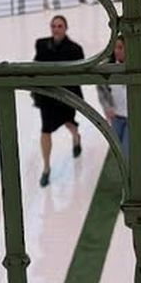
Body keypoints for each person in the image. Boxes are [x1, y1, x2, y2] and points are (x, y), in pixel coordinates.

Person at [32, 13, 84, 183]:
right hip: (47, 97)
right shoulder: (41, 44)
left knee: (69, 123)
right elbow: (36, 65)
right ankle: (46, 167)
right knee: (45, 130)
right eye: (53, 26)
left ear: (66, 28)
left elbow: (79, 75)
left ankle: (76, 138)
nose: (56, 29)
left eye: (60, 26)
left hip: (66, 97)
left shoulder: (75, 49)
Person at [97, 37, 129, 158]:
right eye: (115, 48)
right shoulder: (108, 69)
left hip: (132, 118)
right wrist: (107, 107)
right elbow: (101, 90)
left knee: (126, 150)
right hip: (116, 117)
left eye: (120, 48)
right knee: (118, 150)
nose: (117, 51)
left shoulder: (137, 67)